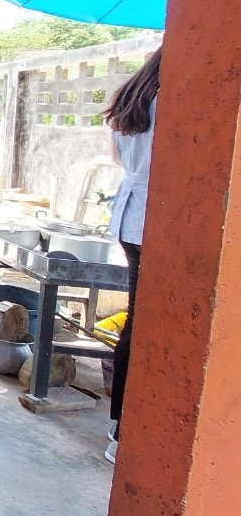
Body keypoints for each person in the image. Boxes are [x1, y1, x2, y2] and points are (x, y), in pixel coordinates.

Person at [101, 47, 159, 464]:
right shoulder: (175, 97)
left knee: (137, 321)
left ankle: (119, 423)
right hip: (154, 218)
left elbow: (118, 157)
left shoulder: (134, 94)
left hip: (130, 216)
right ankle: (125, 432)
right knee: (145, 326)